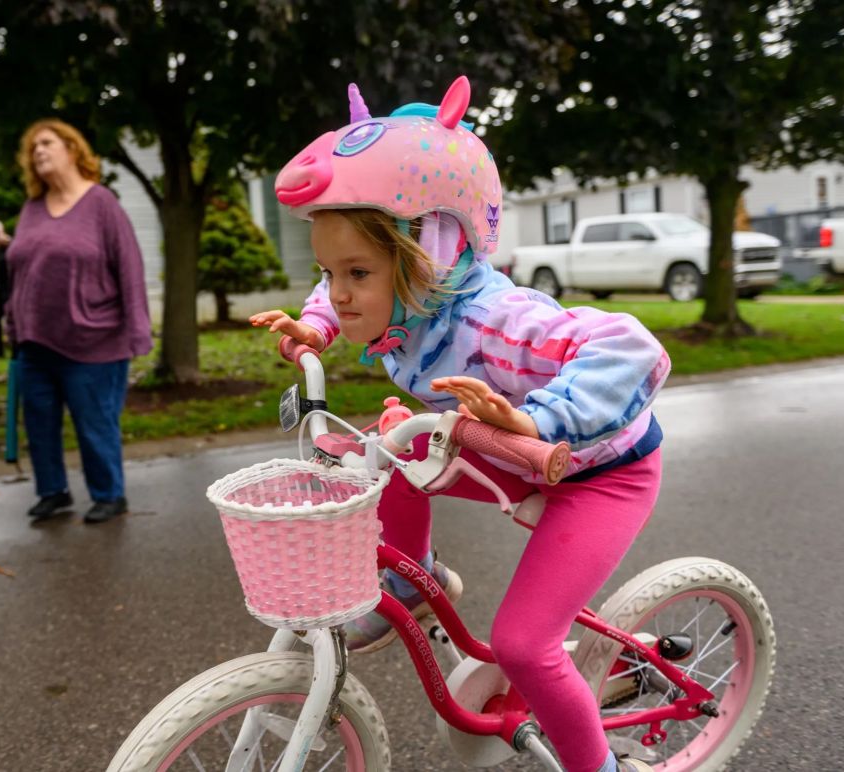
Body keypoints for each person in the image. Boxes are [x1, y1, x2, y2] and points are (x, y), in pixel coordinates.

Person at [250, 77, 670, 772]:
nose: (339, 288)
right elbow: (330, 292)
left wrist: (536, 419)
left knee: (525, 644)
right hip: (506, 448)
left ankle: (602, 767)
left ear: (431, 255)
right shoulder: (409, 303)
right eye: (330, 270)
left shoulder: (494, 323)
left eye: (358, 271)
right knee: (393, 452)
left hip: (601, 472)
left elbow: (632, 350)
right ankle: (414, 582)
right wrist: (318, 326)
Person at [0, 120, 152, 525]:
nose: (38, 151)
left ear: (72, 149)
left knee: (94, 423)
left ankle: (110, 495)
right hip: (34, 340)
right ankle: (53, 491)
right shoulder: (32, 208)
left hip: (94, 339)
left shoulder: (100, 203)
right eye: (32, 147)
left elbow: (128, 265)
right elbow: (34, 258)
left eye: (47, 143)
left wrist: (138, 330)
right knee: (39, 422)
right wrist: (4, 244)